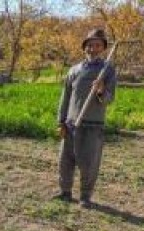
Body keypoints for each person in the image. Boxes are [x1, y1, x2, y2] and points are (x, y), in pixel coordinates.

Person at [55, 29, 117, 209]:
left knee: (89, 164)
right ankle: (65, 192)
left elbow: (109, 99)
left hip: (92, 125)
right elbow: (65, 97)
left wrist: (100, 89)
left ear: (103, 48)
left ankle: (85, 197)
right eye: (90, 44)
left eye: (97, 45)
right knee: (65, 161)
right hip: (71, 123)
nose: (93, 48)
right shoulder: (74, 70)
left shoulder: (108, 71)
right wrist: (61, 121)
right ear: (85, 47)